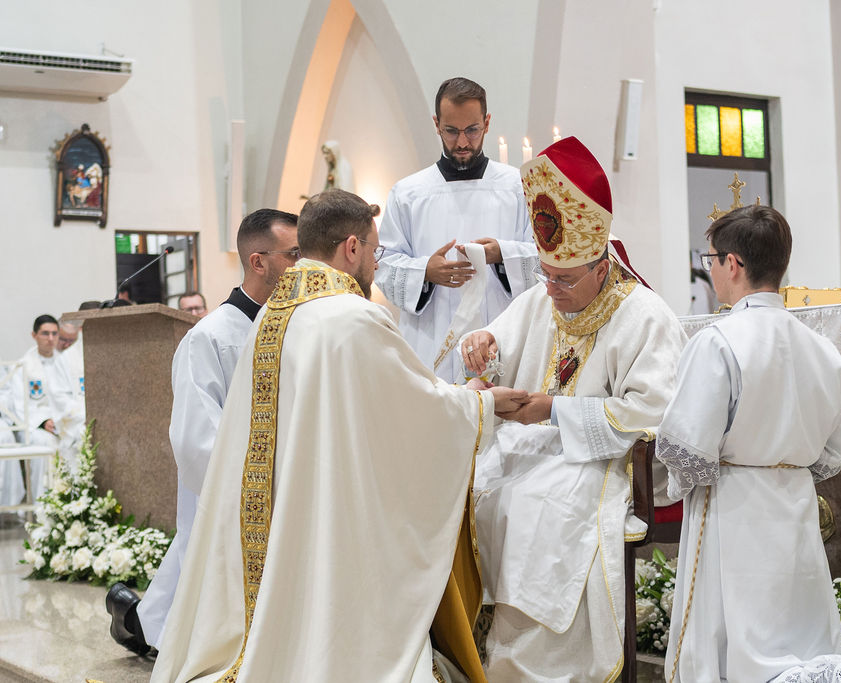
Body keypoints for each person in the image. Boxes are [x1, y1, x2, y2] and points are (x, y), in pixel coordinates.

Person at [150, 189, 527, 683]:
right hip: (330, 506)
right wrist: (479, 403)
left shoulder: (272, 316)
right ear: (351, 247)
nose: (375, 261)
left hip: (279, 507)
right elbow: (416, 416)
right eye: (373, 249)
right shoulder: (352, 316)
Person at [656, 205, 841, 682]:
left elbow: (686, 453)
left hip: (732, 509)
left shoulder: (717, 342)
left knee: (733, 651)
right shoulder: (823, 349)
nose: (709, 268)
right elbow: (832, 455)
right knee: (801, 642)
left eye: (710, 258)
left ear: (732, 263)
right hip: (796, 507)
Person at [460, 137, 686, 681]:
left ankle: (532, 662)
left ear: (601, 268)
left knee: (535, 504)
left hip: (604, 462)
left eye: (564, 278)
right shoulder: (544, 297)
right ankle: (476, 643)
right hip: (531, 447)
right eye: (545, 274)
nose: (551, 289)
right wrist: (484, 346)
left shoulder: (645, 317)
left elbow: (653, 414)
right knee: (470, 486)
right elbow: (501, 351)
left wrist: (555, 413)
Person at [106, 209, 300, 655]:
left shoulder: (294, 326)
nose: (302, 264)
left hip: (283, 483)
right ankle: (135, 622)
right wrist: (255, 483)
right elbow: (195, 438)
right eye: (293, 254)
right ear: (258, 262)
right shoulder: (210, 337)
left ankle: (134, 619)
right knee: (202, 593)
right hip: (238, 489)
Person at [376, 77, 537, 382]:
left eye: (472, 130)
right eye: (451, 131)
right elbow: (383, 265)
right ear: (437, 124)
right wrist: (425, 272)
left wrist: (502, 256)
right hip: (430, 342)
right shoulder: (408, 193)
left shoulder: (519, 188)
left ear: (487, 123)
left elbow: (546, 262)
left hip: (502, 339)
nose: (462, 143)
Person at [0, 315, 80, 504]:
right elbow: (19, 404)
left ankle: (75, 503)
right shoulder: (23, 366)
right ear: (34, 335)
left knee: (78, 436)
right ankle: (42, 504)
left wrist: (61, 420)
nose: (51, 339)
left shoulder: (66, 363)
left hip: (63, 421)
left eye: (54, 334)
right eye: (45, 334)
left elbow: (72, 396)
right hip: (35, 426)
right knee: (44, 442)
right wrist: (44, 422)